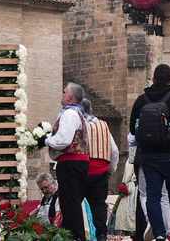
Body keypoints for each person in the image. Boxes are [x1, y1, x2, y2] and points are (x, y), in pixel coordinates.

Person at [128, 63, 170, 241]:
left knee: (152, 196)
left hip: (148, 155)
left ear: (153, 79)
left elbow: (133, 130)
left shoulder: (142, 100)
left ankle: (158, 233)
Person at [45, 83, 100, 240]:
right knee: (71, 201)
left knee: (70, 202)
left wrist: (46, 140)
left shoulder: (70, 113)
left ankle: (75, 236)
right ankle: (73, 235)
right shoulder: (78, 113)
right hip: (78, 162)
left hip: (71, 163)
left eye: (64, 92)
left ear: (69, 97)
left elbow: (63, 140)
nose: (61, 94)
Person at [79, 97, 117, 237]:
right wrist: (110, 170)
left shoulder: (77, 124)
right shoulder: (103, 125)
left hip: (80, 171)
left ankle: (78, 236)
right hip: (100, 172)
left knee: (75, 204)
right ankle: (101, 235)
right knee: (99, 205)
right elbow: (114, 151)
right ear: (91, 110)